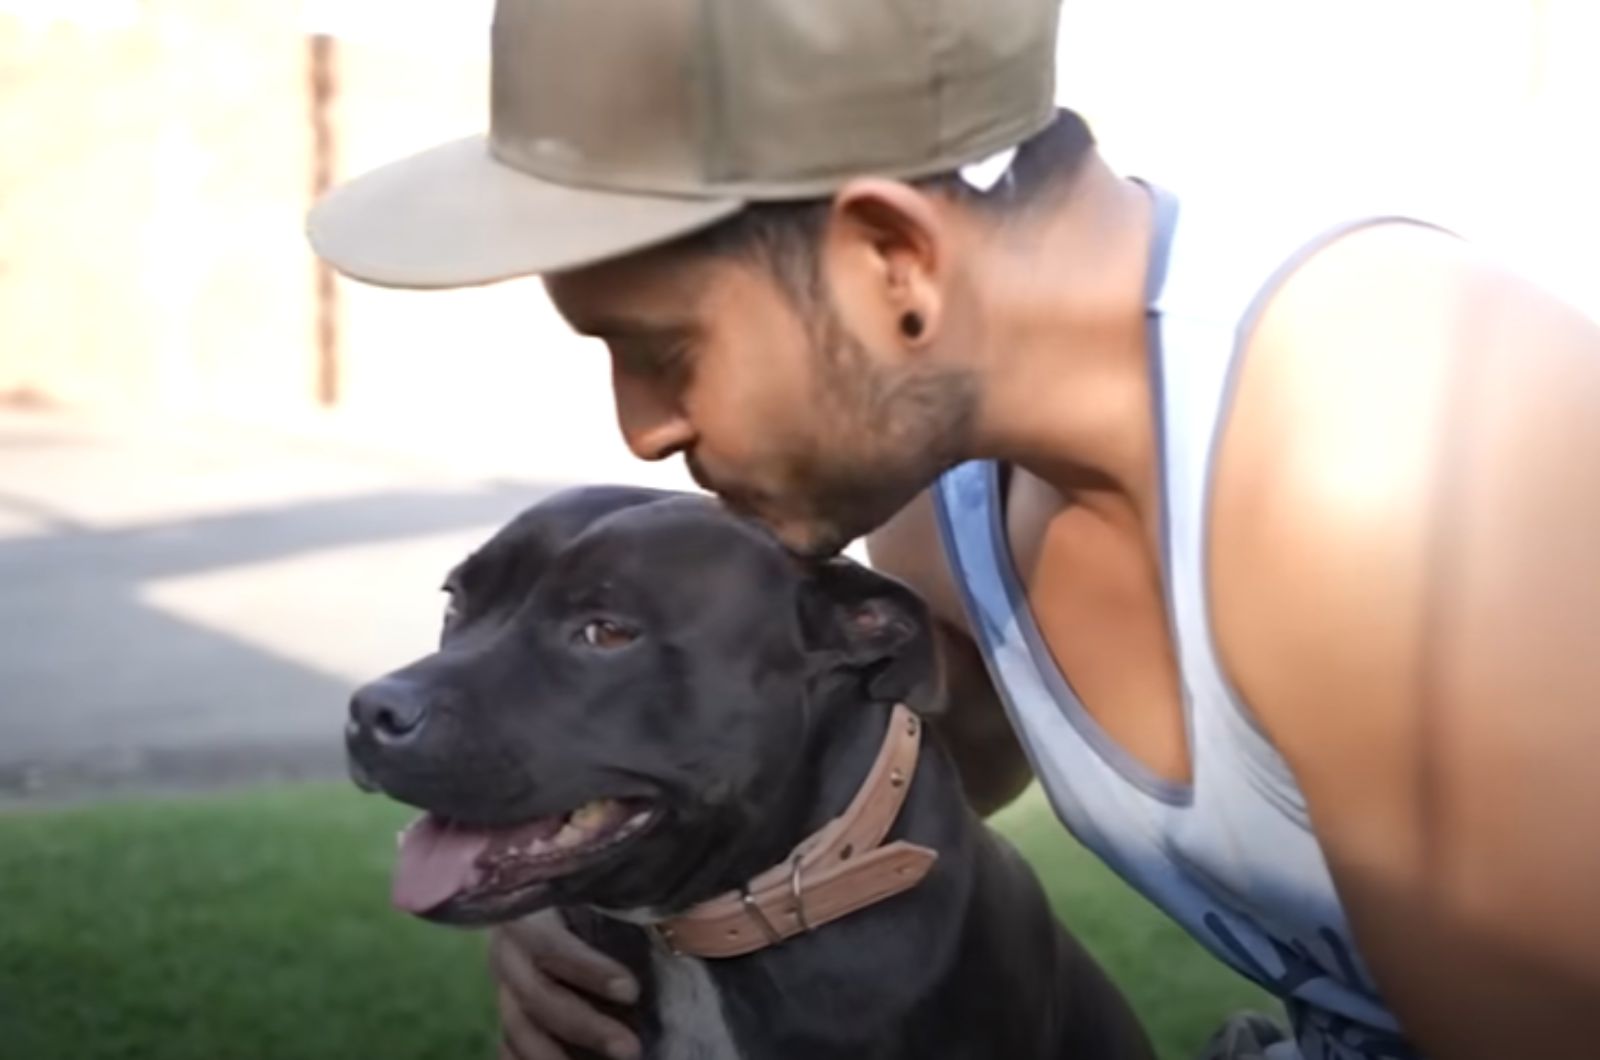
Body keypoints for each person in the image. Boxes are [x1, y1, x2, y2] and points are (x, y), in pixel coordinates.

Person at [307, 1, 1600, 1058]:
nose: (643, 430)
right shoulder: (945, 508)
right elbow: (879, 794)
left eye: (664, 350)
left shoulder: (1396, 458)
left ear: (895, 262)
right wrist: (583, 866)